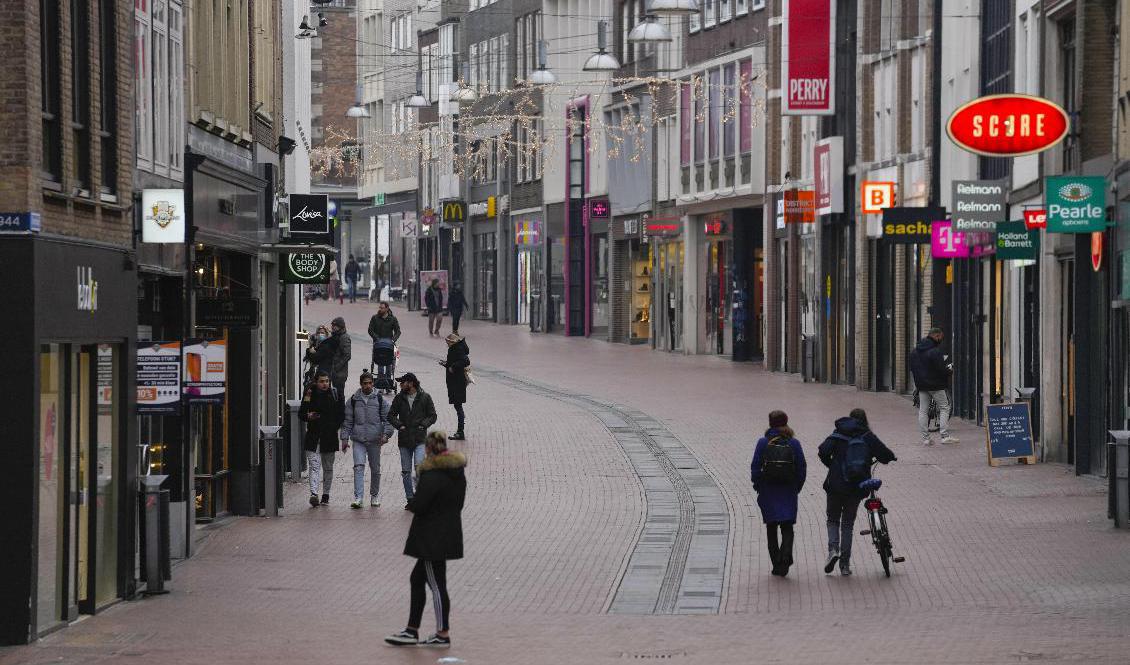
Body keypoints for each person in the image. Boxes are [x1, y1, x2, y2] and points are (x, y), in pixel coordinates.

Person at [385, 430, 467, 648]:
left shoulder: (431, 475)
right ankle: (412, 630)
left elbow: (419, 504)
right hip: (447, 533)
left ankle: (442, 633)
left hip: (431, 539)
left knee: (436, 584)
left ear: (429, 448)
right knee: (418, 579)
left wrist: (415, 498)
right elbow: (458, 503)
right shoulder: (457, 473)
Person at [817, 408, 897, 577]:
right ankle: (844, 565)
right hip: (856, 487)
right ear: (864, 421)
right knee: (847, 523)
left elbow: (823, 451)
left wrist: (831, 465)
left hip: (835, 485)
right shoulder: (867, 436)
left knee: (832, 520)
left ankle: (833, 550)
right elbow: (884, 454)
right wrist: (890, 457)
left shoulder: (838, 433)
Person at [750, 410, 806, 577]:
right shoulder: (793, 443)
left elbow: (755, 466)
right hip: (788, 489)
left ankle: (777, 563)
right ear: (786, 422)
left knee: (771, 526)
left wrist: (758, 485)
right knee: (787, 526)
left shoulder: (763, 442)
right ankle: (786, 556)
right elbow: (802, 467)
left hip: (768, 489)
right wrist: (797, 486)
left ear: (770, 423)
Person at [340, 372, 395, 509]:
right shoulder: (353, 400)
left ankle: (374, 495)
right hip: (358, 439)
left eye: (370, 383)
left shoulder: (379, 399)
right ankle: (358, 497)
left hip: (375, 439)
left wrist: (386, 434)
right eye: (365, 383)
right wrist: (344, 438)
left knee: (375, 469)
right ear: (361, 384)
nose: (368, 386)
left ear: (373, 383)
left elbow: (388, 418)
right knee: (358, 467)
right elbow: (348, 421)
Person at [386, 373, 438, 507]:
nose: (400, 385)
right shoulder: (399, 398)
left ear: (411, 383)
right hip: (404, 440)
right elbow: (391, 415)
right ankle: (410, 499)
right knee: (406, 472)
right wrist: (400, 425)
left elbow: (432, 416)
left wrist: (423, 425)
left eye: (402, 382)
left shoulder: (425, 397)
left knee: (419, 468)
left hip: (419, 439)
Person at [299, 371, 345, 506]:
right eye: (321, 381)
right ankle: (314, 493)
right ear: (316, 382)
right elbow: (302, 413)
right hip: (313, 436)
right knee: (314, 466)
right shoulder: (309, 394)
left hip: (329, 437)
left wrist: (334, 427)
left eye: (327, 381)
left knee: (328, 467)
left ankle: (326, 494)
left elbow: (341, 415)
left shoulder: (336, 394)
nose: (325, 384)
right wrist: (309, 416)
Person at [910, 327, 958, 445]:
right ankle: (945, 436)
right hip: (936, 385)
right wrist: (949, 371)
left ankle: (926, 439)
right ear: (936, 336)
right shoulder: (935, 351)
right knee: (944, 407)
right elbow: (941, 369)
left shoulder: (915, 351)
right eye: (940, 337)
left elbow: (912, 368)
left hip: (921, 385)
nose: (941, 339)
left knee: (923, 411)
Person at [439, 333, 470, 440]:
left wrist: (453, 366)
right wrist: (447, 364)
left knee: (458, 406)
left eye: (447, 342)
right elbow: (455, 362)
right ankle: (461, 425)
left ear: (452, 342)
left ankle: (460, 431)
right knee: (458, 406)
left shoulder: (457, 349)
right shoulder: (454, 349)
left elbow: (466, 361)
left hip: (457, 382)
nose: (446, 344)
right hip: (455, 381)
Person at [368, 301, 402, 393]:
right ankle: (380, 384)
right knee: (379, 363)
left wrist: (393, 340)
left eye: (382, 308)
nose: (380, 309)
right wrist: (376, 338)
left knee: (388, 364)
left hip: (389, 346)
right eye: (379, 307)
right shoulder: (375, 318)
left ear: (387, 308)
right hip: (378, 345)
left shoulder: (392, 319)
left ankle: (388, 384)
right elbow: (370, 330)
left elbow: (398, 331)